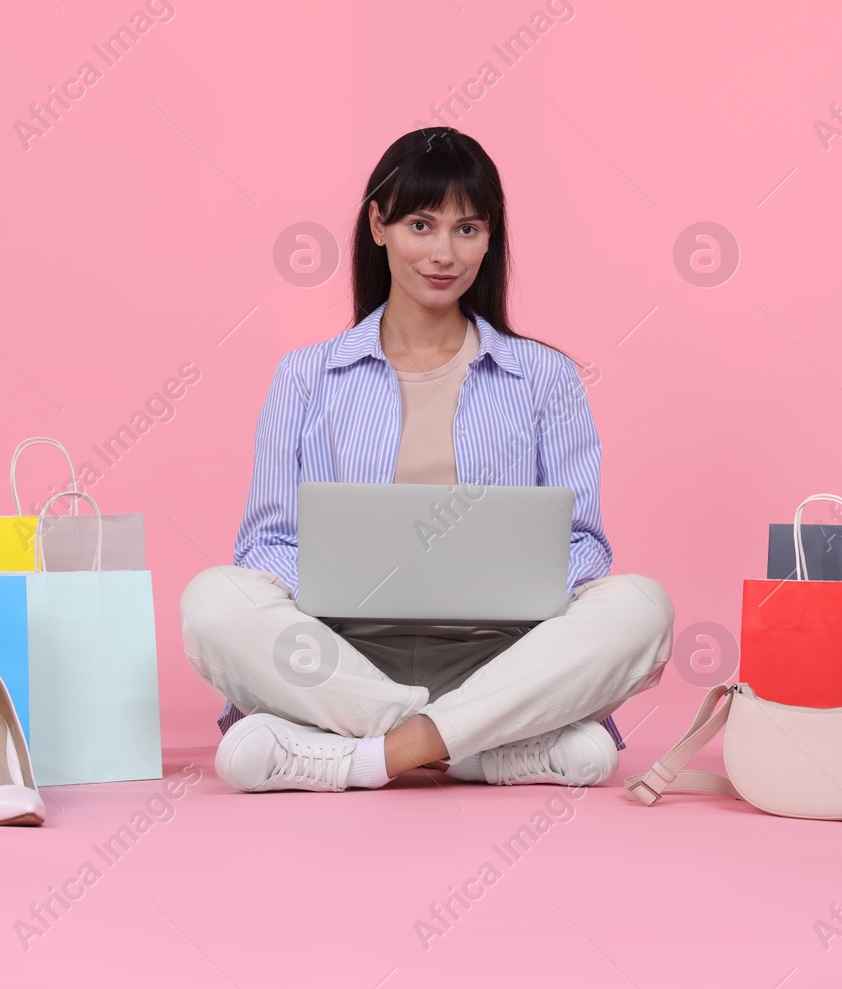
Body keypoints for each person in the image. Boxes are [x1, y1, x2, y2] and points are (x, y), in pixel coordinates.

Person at [180, 127, 674, 793]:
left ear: (491, 238)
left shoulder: (544, 379)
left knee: (642, 605)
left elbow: (583, 545)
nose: (443, 253)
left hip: (501, 656)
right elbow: (266, 545)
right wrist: (340, 573)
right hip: (343, 658)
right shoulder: (305, 378)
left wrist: (522, 574)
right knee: (213, 601)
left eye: (467, 229)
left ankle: (370, 754)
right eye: (421, 224)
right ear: (378, 224)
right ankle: (474, 745)